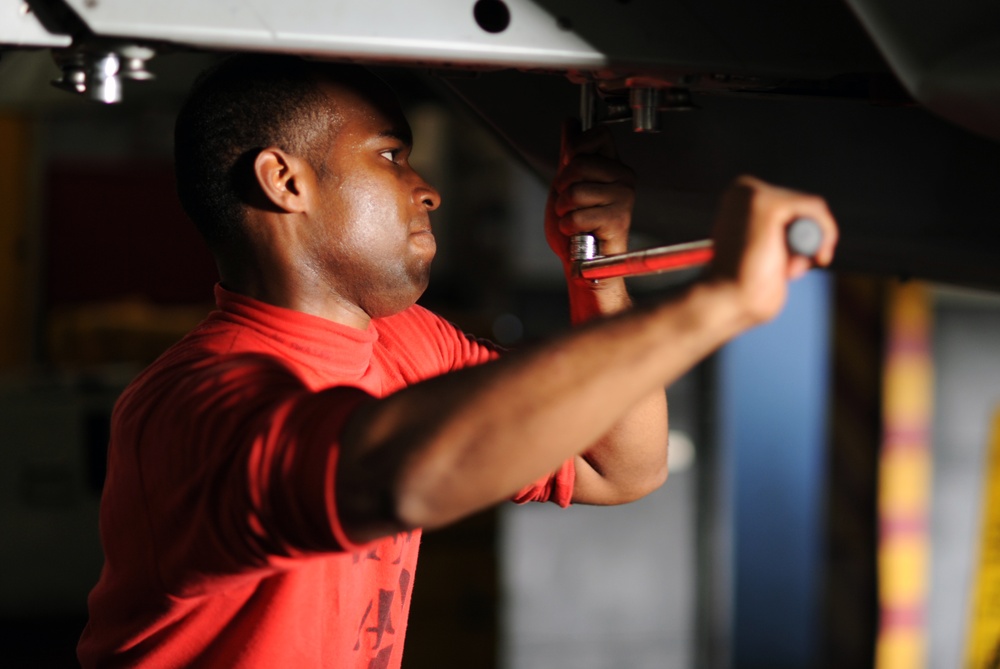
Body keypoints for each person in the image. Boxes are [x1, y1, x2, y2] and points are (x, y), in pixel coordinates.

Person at [77, 54, 837, 668]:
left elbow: (621, 467)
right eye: (390, 156)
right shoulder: (194, 406)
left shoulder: (405, 340)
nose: (428, 190)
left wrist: (599, 265)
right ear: (286, 181)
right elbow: (393, 476)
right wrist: (712, 308)